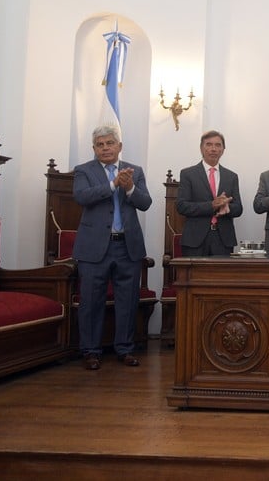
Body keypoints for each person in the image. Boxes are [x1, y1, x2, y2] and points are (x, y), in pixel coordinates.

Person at [72, 125, 152, 370]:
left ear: (119, 146)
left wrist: (128, 187)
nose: (105, 147)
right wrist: (112, 184)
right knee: (91, 302)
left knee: (128, 301)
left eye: (109, 143)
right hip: (94, 248)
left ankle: (125, 349)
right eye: (100, 144)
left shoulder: (134, 171)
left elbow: (146, 203)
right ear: (94, 149)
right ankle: (91, 351)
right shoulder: (83, 170)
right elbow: (82, 197)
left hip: (127, 246)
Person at [176, 130, 243, 256]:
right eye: (209, 144)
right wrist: (212, 205)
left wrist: (226, 207)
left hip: (223, 240)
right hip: (195, 240)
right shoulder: (188, 174)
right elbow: (181, 206)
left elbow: (238, 209)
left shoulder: (231, 176)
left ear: (223, 150)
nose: (213, 149)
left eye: (218, 145)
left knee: (221, 276)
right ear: (201, 148)